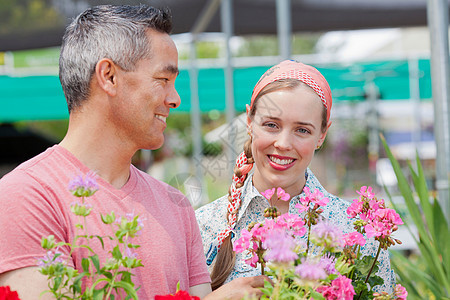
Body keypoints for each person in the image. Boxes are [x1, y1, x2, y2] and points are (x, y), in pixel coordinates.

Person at [0, 5, 265, 300]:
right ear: (109, 76)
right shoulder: (26, 196)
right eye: (163, 80)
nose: (175, 99)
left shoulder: (175, 205)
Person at [195, 60, 396, 293]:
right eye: (271, 125)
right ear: (249, 122)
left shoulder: (356, 232)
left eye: (302, 130)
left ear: (322, 135)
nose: (283, 144)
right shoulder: (204, 226)